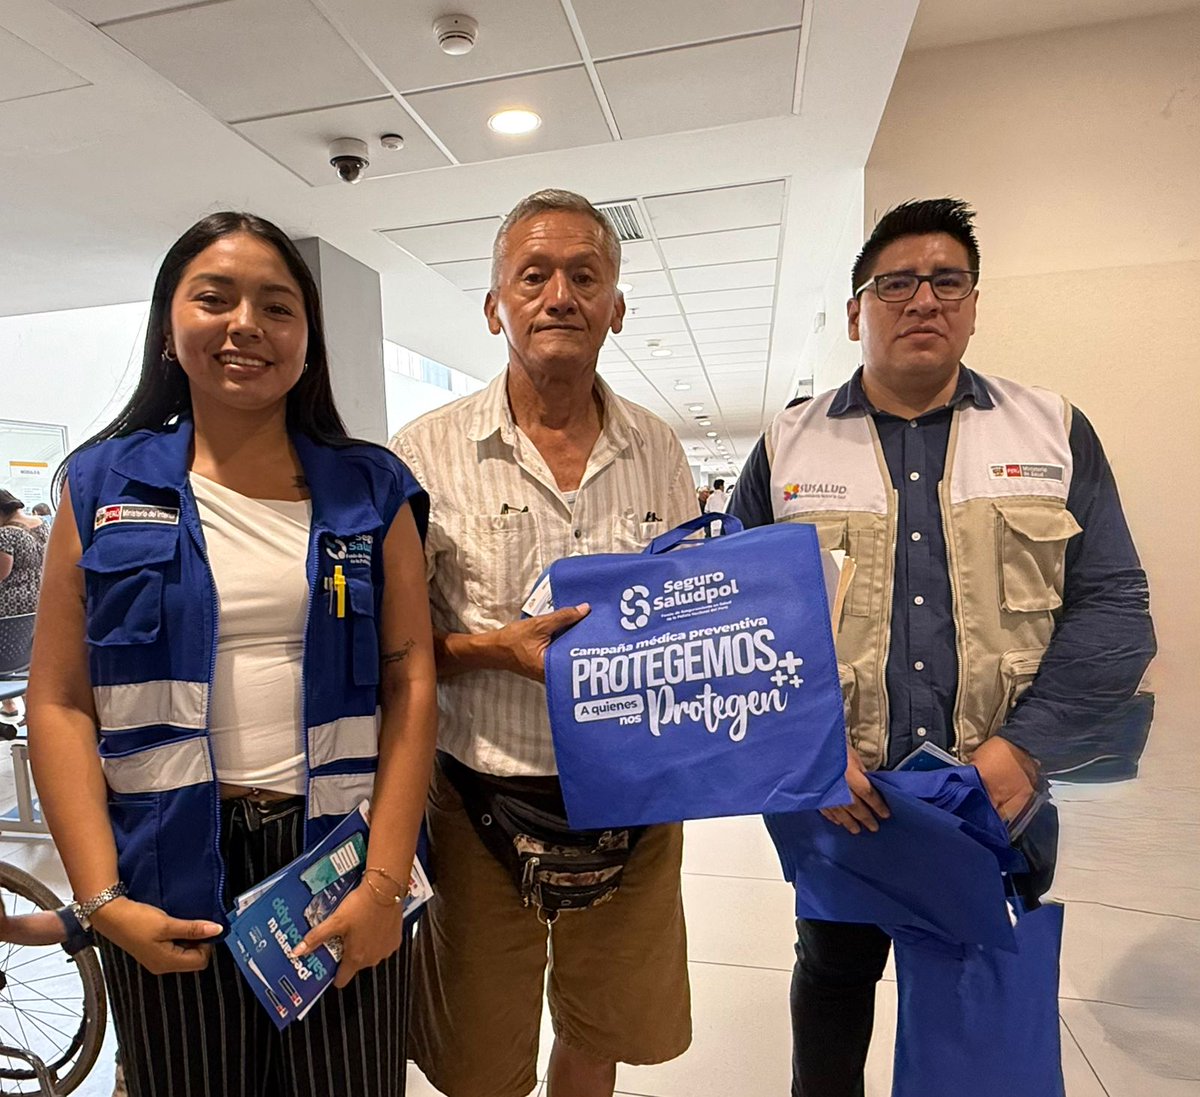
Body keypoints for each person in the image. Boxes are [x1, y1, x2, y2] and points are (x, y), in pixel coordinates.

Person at [728, 198, 1156, 1097]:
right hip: (846, 795)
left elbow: (1115, 607)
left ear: (972, 302)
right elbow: (737, 626)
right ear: (857, 310)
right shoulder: (789, 445)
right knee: (835, 978)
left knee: (977, 1002)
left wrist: (1026, 751)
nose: (923, 298)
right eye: (896, 283)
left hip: (997, 794)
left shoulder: (1050, 431)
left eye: (946, 281)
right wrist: (807, 754)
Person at [27, 211, 438, 1097]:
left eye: (276, 306)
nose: (245, 323)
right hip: (167, 869)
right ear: (169, 326)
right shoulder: (101, 486)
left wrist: (383, 882)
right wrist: (101, 900)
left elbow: (411, 683)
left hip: (335, 864)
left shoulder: (372, 489)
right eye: (214, 298)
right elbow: (60, 698)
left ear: (307, 339)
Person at [391, 189, 696, 1097]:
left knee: (603, 1023)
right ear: (496, 308)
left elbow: (694, 613)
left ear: (615, 305)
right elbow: (391, 648)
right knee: (480, 1057)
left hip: (636, 799)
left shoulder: (658, 450)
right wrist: (495, 650)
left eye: (584, 276)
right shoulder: (422, 453)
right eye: (534, 275)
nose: (559, 294)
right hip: (480, 798)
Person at [0, 489, 50, 724]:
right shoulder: (41, 524)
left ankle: (9, 702)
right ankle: (29, 709)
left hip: (9, 609)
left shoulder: (6, 534)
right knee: (26, 660)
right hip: (37, 605)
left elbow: (2, 574)